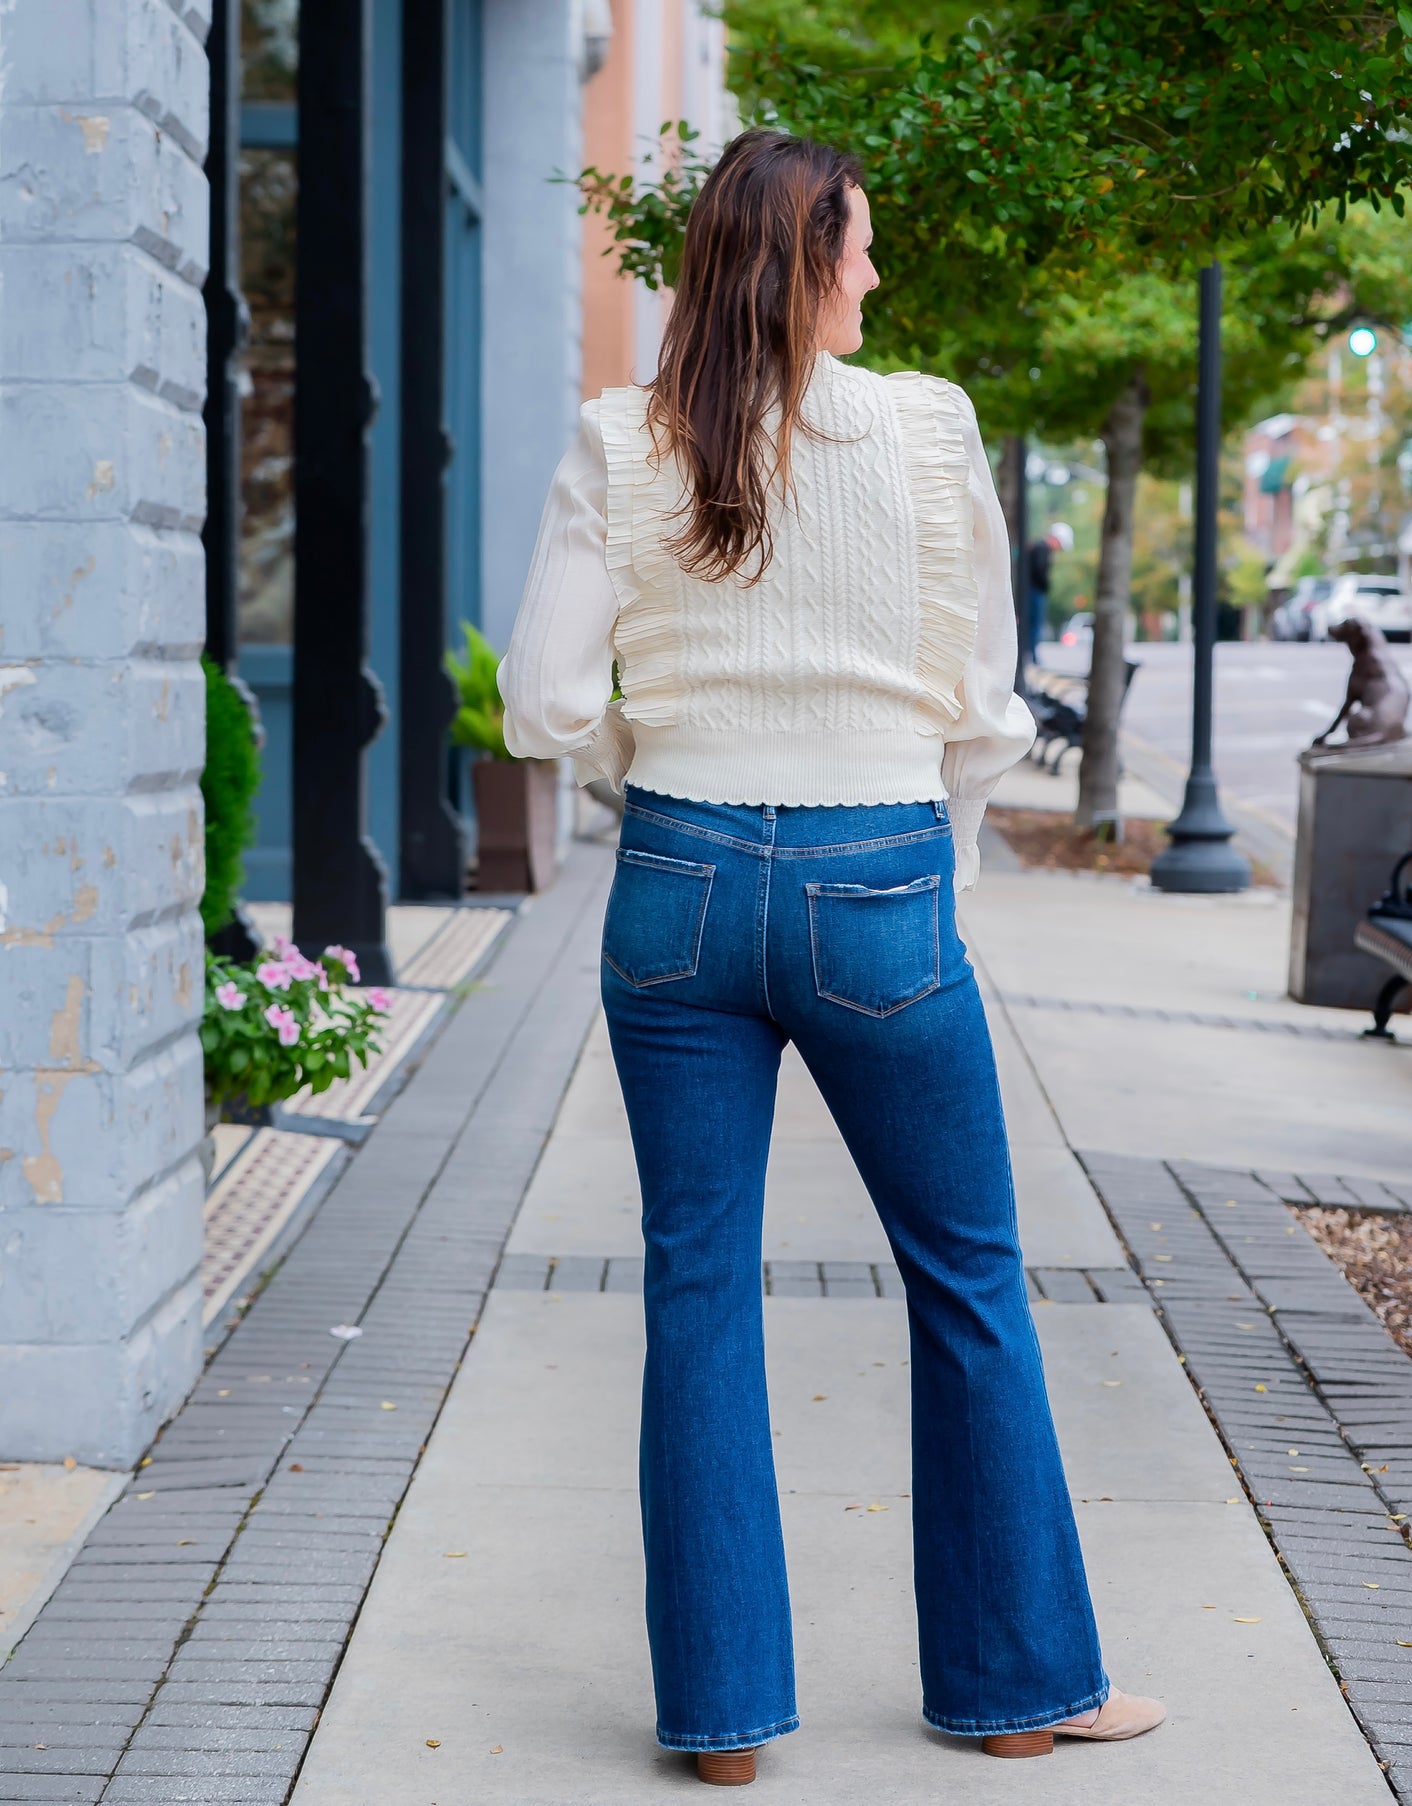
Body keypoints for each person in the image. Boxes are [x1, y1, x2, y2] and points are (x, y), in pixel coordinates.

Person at [499, 128, 1164, 1786]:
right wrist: (920, 845)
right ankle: (1020, 1687)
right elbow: (994, 709)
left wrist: (656, 765)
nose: (874, 275)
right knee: (967, 1279)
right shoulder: (930, 428)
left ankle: (722, 1725)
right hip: (876, 878)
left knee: (699, 1288)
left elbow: (540, 701)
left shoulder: (618, 437)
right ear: (803, 262)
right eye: (856, 248)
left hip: (678, 880)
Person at [1026, 521, 1073, 662]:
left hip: (1033, 591)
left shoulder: (1039, 548)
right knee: (1034, 625)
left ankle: (1030, 654)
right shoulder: (1042, 549)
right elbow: (1039, 572)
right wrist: (1045, 585)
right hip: (1034, 592)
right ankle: (1032, 655)